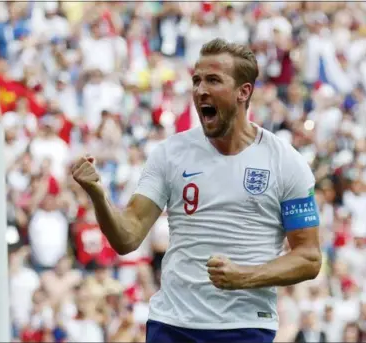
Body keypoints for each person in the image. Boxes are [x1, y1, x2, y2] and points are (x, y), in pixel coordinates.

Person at [71, 38, 322, 343]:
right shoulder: (170, 154)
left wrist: (245, 277)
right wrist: (98, 194)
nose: (200, 89)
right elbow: (127, 237)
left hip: (244, 327)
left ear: (244, 92)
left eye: (213, 80)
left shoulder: (286, 163)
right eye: (196, 80)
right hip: (172, 324)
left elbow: (309, 258)